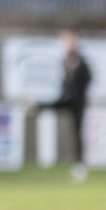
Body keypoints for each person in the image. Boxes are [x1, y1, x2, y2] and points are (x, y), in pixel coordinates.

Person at [42, 31, 92, 183]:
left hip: (78, 102)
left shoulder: (81, 62)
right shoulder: (65, 62)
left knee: (77, 132)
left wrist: (76, 93)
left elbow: (88, 79)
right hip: (66, 99)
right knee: (50, 107)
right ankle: (35, 107)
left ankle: (80, 165)